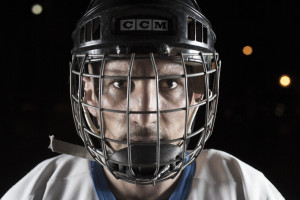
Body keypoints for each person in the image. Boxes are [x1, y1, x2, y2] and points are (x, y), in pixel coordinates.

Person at [2, 0, 285, 199]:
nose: (145, 114)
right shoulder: (41, 191)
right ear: (89, 93)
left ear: (198, 91)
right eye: (119, 84)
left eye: (170, 83)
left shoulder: (246, 190)